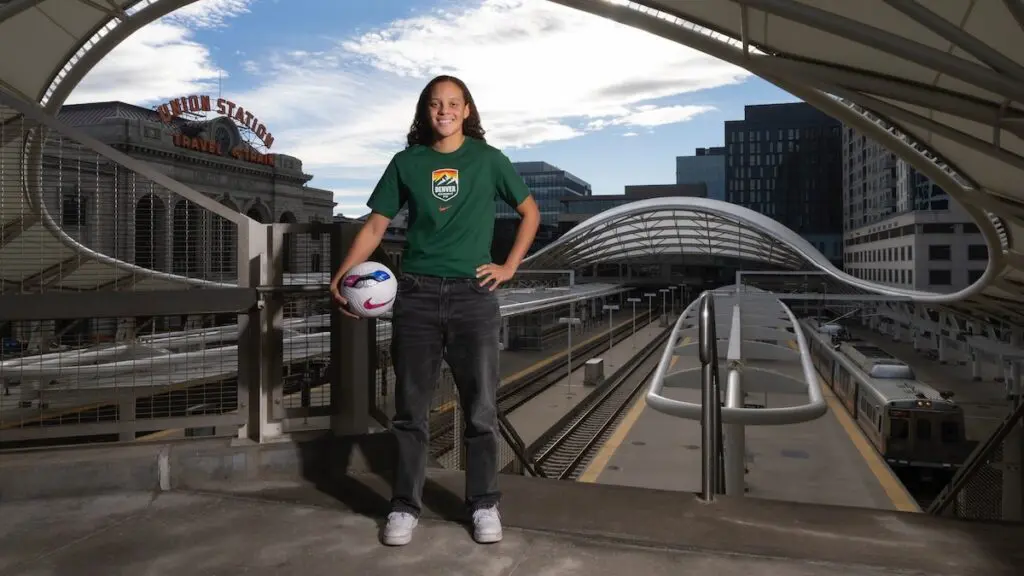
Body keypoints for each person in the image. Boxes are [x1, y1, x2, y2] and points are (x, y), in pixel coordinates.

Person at [329, 74, 540, 546]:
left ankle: (483, 504)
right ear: (425, 111)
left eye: (452, 103)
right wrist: (342, 272)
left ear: (467, 110)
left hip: (474, 296)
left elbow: (530, 212)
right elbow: (375, 226)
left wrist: (509, 266)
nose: (444, 111)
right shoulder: (407, 162)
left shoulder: (490, 160)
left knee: (480, 410)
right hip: (417, 295)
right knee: (410, 412)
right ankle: (404, 507)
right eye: (435, 103)